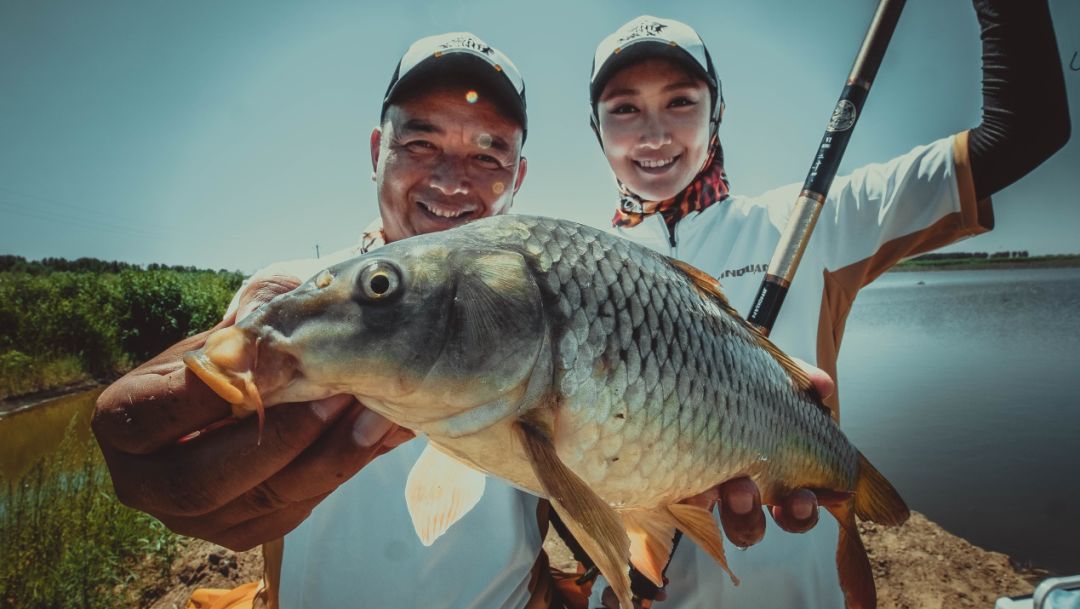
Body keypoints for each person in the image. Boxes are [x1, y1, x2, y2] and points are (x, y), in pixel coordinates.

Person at [93, 31, 829, 609]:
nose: (451, 181)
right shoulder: (294, 296)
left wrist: (706, 449)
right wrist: (171, 460)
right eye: (421, 144)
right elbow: (218, 377)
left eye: (488, 153)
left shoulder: (549, 301)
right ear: (378, 150)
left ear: (518, 177)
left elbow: (621, 495)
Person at [586, 3, 1069, 607]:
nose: (654, 134)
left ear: (718, 115)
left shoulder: (810, 220)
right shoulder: (576, 273)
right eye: (624, 109)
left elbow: (1027, 131)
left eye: (681, 101)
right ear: (596, 128)